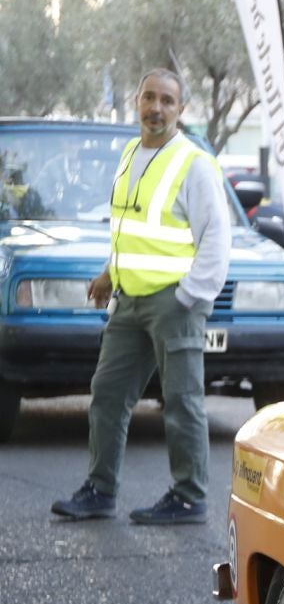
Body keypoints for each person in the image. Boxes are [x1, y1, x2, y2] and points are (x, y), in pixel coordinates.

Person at [51, 68, 231, 525]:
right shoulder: (131, 152)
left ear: (181, 109)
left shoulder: (193, 163)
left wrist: (191, 295)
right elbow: (131, 227)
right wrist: (109, 273)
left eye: (167, 101)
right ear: (137, 101)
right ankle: (100, 490)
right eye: (149, 98)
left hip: (175, 302)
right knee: (108, 393)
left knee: (183, 399)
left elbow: (216, 238)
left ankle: (189, 496)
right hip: (129, 299)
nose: (157, 108)